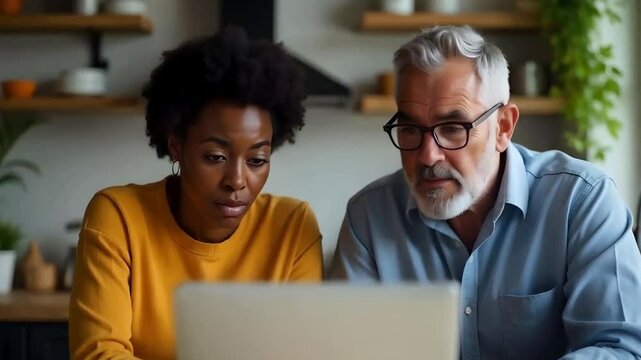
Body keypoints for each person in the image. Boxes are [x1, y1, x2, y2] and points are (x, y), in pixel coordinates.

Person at [330, 25, 641, 359]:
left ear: (503, 127)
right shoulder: (369, 217)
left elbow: (620, 348)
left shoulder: (581, 201)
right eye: (409, 129)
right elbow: (348, 349)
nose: (427, 155)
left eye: (452, 128)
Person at [69, 27, 324, 360]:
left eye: (257, 160)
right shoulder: (119, 216)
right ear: (177, 146)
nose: (237, 180)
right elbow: (97, 353)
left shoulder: (293, 227)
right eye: (215, 157)